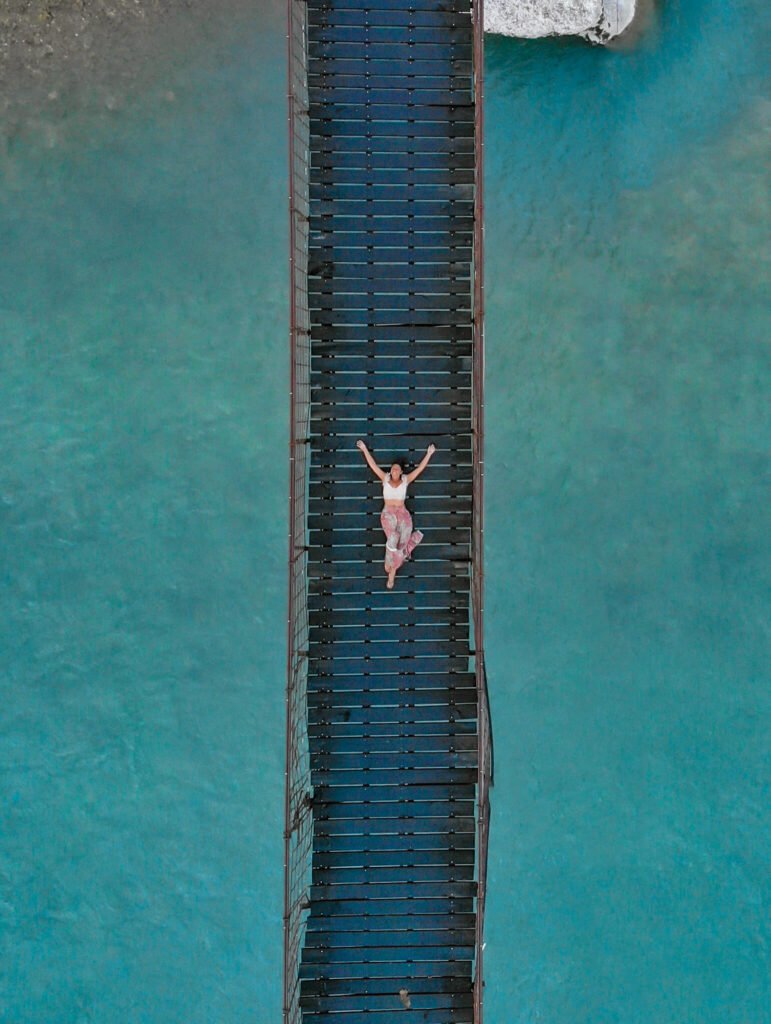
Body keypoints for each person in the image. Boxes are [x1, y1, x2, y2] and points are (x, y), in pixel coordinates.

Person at [356, 440, 436, 590]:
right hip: (388, 514)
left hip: (403, 515)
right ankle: (392, 571)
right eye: (393, 469)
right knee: (393, 537)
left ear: (401, 472)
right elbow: (373, 466)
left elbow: (419, 470)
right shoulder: (385, 479)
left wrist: (429, 454)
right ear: (390, 471)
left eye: (397, 469)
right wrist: (365, 449)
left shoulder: (406, 480)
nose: (394, 471)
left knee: (401, 544)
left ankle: (390, 568)